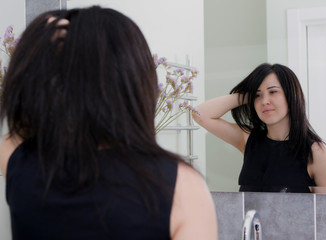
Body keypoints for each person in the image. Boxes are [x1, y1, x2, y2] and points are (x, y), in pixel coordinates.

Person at [0, 6, 217, 240]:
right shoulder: (181, 187)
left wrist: (47, 42)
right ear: (135, 81)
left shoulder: (19, 162)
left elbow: (23, 117)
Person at [193, 63, 326, 193]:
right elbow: (200, 114)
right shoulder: (248, 139)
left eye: (273, 92)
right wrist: (247, 96)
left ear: (291, 96)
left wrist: (259, 93)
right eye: (258, 95)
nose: (264, 101)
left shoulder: (316, 152)